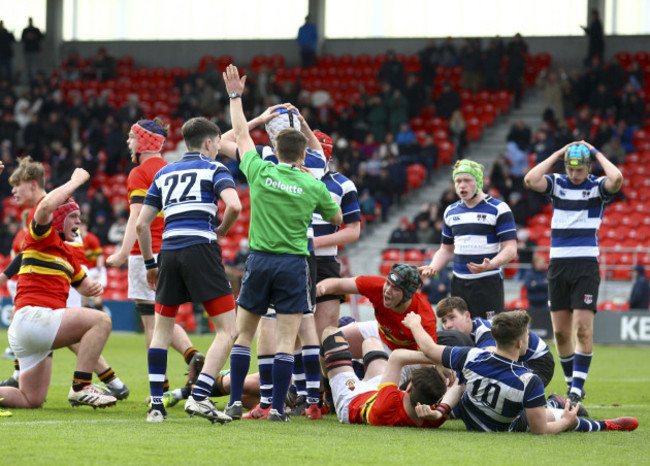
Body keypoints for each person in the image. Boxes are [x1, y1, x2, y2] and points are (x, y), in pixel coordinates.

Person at [221, 64, 341, 422]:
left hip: (258, 260)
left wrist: (236, 96)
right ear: (304, 155)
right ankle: (277, 408)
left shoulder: (259, 169)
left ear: (274, 147)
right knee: (290, 339)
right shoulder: (314, 182)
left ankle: (234, 402)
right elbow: (336, 219)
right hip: (294, 263)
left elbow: (239, 133)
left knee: (244, 334)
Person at [136, 116, 241, 424]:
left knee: (161, 331)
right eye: (219, 143)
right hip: (201, 249)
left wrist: (149, 264)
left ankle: (156, 407)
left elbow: (142, 223)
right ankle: (199, 397)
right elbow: (234, 206)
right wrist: (221, 228)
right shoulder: (215, 169)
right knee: (228, 329)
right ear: (209, 143)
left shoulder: (165, 172)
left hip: (167, 252)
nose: (219, 149)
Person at [403, 309, 639, 434]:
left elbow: (429, 348)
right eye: (527, 335)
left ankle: (570, 410)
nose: (529, 338)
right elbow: (541, 432)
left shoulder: (471, 355)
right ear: (520, 343)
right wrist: (565, 424)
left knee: (463, 383)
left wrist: (414, 324)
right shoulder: (528, 380)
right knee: (557, 420)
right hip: (507, 425)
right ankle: (602, 424)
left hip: (469, 414)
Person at [0, 165, 118, 410]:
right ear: (59, 219)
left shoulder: (67, 254)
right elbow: (44, 207)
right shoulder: (42, 236)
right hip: (33, 318)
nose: (79, 222)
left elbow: (84, 286)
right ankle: (81, 386)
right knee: (101, 321)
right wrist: (74, 180)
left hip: (33, 330)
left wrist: (93, 286)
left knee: (30, 399)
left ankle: (87, 385)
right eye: (73, 217)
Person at [106, 118, 205, 396]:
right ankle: (191, 355)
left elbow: (138, 217)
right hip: (175, 248)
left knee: (151, 321)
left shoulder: (139, 173)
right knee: (165, 316)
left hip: (146, 251)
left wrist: (124, 252)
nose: (128, 142)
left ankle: (157, 386)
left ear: (145, 141)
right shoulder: (173, 169)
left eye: (131, 137)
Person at [524, 141, 623, 412]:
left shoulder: (597, 186)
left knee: (582, 328)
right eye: (570, 168)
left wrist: (597, 153)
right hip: (558, 265)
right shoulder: (557, 182)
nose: (575, 174)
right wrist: (556, 154)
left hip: (585, 265)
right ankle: (572, 386)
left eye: (579, 169)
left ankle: (577, 390)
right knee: (560, 332)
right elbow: (531, 179)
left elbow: (616, 178)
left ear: (588, 167)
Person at [420, 160, 518, 319]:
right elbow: (446, 250)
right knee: (461, 335)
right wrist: (433, 267)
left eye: (467, 180)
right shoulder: (450, 211)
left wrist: (491, 264)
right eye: (458, 181)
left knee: (488, 334)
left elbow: (511, 249)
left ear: (478, 181)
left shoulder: (498, 208)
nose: (462, 185)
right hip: (459, 283)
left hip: (488, 282)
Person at [319, 327, 462, 427]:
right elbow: (460, 385)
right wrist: (439, 411)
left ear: (409, 387)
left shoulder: (389, 404)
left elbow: (397, 356)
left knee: (331, 335)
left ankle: (328, 397)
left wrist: (438, 360)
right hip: (379, 392)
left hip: (353, 399)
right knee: (371, 341)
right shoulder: (433, 418)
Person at [435, 296, 555, 387]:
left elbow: (491, 361)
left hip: (538, 361)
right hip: (517, 360)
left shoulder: (484, 331)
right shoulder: (457, 336)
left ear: (467, 316)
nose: (448, 325)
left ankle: (554, 404)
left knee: (511, 398)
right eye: (444, 321)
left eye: (452, 318)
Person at [20, 17, 44, 83]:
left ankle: (35, 81)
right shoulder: (25, 30)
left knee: (35, 67)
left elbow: (41, 37)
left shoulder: (36, 30)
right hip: (27, 51)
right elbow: (22, 39)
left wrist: (34, 36)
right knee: (27, 67)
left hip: (35, 51)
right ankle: (28, 81)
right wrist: (27, 36)